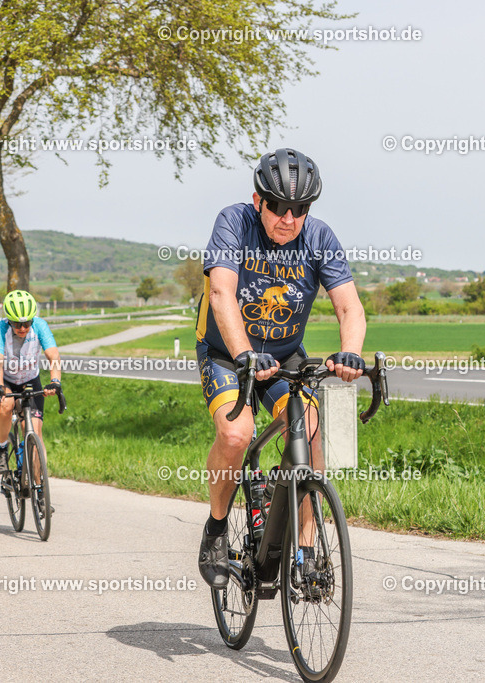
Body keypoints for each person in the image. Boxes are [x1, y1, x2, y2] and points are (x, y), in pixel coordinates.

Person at [195, 148, 367, 589]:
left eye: (300, 209)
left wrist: (350, 352)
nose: (289, 218)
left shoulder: (320, 238)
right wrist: (243, 355)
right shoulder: (234, 222)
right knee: (236, 435)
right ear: (259, 201)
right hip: (226, 353)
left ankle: (305, 554)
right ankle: (216, 528)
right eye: (278, 207)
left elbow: (349, 307)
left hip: (285, 353)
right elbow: (221, 293)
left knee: (310, 429)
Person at [0, 290, 62, 473]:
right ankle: (2, 449)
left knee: (35, 431)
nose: (23, 328)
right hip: (1, 378)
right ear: (9, 320)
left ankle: (39, 485)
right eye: (17, 323)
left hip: (28, 379)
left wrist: (55, 381)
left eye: (27, 323)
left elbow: (53, 355)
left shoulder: (40, 325)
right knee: (6, 403)